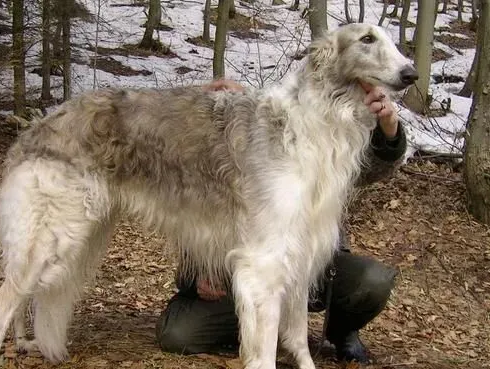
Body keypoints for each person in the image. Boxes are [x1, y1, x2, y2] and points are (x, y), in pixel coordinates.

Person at [155, 79, 406, 363]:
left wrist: (389, 128)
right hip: (236, 284)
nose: (225, 114)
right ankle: (257, 335)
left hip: (317, 270)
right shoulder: (196, 169)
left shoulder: (299, 141)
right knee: (177, 335)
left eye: (232, 101)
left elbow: (370, 167)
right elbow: (187, 258)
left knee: (372, 281)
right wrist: (196, 281)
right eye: (217, 108)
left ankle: (340, 332)